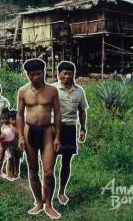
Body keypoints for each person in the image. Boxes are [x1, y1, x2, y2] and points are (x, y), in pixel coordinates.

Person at [17, 58, 62, 219]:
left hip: (47, 131)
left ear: (44, 73)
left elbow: (57, 114)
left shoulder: (52, 91)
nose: (35, 77)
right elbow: (19, 114)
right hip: (29, 131)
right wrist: (21, 136)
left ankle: (48, 204)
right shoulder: (23, 91)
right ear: (27, 75)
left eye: (38, 74)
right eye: (31, 74)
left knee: (49, 172)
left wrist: (57, 137)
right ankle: (38, 202)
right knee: (33, 170)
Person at [51, 61, 89, 205]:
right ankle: (48, 192)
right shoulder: (52, 89)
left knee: (66, 162)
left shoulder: (79, 90)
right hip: (53, 129)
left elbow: (82, 111)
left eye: (69, 73)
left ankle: (61, 192)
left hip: (70, 129)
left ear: (74, 74)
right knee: (50, 163)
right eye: (64, 73)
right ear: (58, 74)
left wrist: (83, 129)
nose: (67, 76)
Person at [2, 109, 23, 180]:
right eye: (12, 119)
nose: (14, 121)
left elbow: (22, 136)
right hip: (10, 145)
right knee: (10, 160)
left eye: (15, 119)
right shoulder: (7, 126)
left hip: (18, 145)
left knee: (17, 160)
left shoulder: (20, 127)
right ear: (9, 119)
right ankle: (9, 174)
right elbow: (2, 136)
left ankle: (16, 173)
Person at [0, 108, 11, 177]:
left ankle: (9, 173)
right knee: (1, 158)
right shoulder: (3, 125)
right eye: (3, 119)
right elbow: (1, 136)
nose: (5, 120)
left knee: (10, 158)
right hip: (2, 143)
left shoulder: (12, 125)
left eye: (6, 118)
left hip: (10, 144)